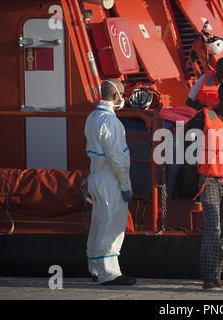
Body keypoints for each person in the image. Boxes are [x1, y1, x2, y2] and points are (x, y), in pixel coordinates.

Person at [184, 81, 223, 289]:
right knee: (213, 227)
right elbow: (186, 135)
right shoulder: (204, 116)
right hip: (209, 180)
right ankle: (208, 277)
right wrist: (189, 164)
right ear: (221, 98)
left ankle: (217, 275)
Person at [84, 79, 135, 286]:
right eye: (122, 94)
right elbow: (116, 158)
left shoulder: (92, 117)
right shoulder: (112, 122)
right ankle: (110, 273)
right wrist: (125, 185)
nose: (123, 98)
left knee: (98, 223)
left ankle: (95, 267)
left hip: (96, 177)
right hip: (110, 181)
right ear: (115, 97)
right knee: (112, 224)